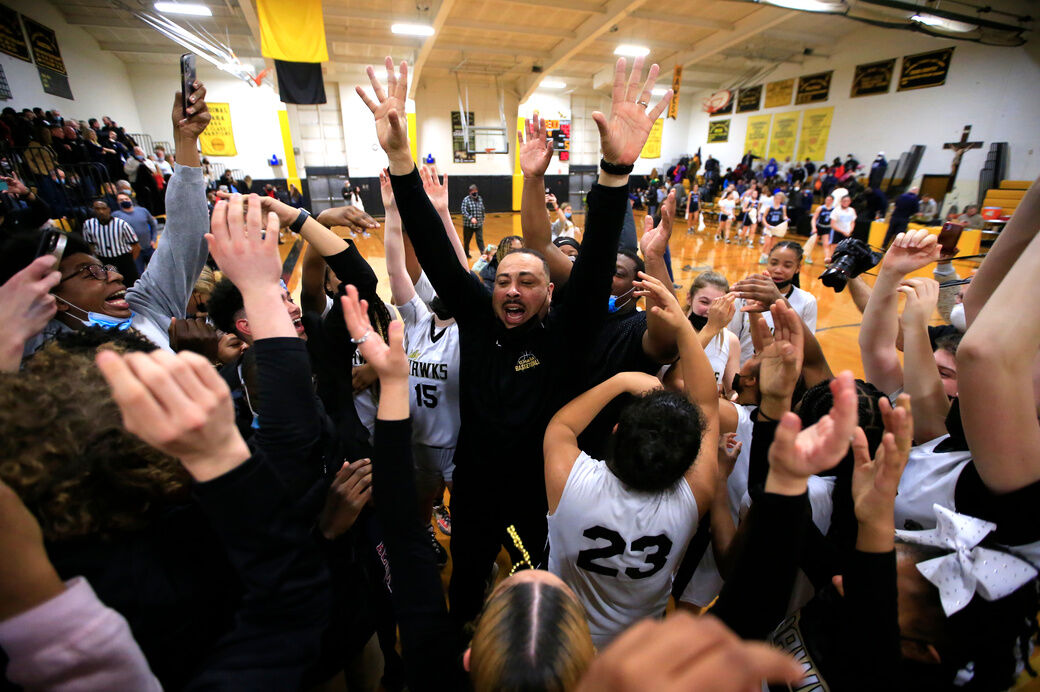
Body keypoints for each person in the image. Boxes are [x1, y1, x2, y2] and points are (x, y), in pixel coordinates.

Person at [358, 54, 672, 630]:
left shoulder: (567, 334)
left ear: (549, 293)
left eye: (527, 280)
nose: (511, 289)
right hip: (473, 489)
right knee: (466, 592)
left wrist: (614, 174)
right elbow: (433, 250)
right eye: (502, 279)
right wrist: (400, 161)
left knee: (539, 597)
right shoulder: (478, 320)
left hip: (541, 493)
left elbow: (598, 262)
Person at [545, 273, 718, 647]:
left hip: (564, 637)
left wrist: (620, 380)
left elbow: (561, 424)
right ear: (688, 460)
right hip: (637, 643)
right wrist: (687, 330)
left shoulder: (572, 483)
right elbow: (708, 405)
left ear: (615, 429)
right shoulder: (694, 498)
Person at [0, 82, 212, 356]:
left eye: (105, 267)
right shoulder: (34, 353)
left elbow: (186, 235)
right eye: (92, 272)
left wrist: (186, 140)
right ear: (51, 296)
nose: (116, 276)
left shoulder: (145, 306)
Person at [728, 241, 817, 364]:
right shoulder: (746, 293)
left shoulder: (807, 301)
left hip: (780, 374)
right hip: (742, 370)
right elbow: (731, 337)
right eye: (774, 263)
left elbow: (808, 348)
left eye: (787, 266)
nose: (778, 270)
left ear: (797, 268)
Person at [683, 272, 739, 392]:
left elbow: (733, 391)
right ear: (689, 298)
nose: (711, 310)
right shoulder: (675, 329)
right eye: (704, 302)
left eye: (717, 304)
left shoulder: (730, 340)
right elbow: (672, 382)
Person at [81, 200, 141, 287]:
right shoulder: (88, 225)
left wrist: (131, 261)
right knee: (112, 286)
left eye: (103, 208)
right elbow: (90, 244)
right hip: (104, 260)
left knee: (131, 284)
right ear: (93, 210)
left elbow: (136, 245)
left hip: (124, 258)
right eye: (97, 209)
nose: (101, 211)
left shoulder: (121, 224)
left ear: (108, 209)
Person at [112, 191, 159, 275]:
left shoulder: (142, 210)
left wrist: (154, 239)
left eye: (126, 199)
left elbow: (153, 224)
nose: (124, 201)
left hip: (148, 247)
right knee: (139, 274)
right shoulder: (116, 216)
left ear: (130, 199)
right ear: (117, 202)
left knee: (158, 270)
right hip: (133, 252)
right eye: (121, 200)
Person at [803, 193, 834, 264]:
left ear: (832, 201)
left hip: (826, 228)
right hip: (818, 227)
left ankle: (827, 259)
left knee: (826, 244)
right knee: (813, 243)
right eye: (827, 199)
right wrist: (813, 228)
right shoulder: (820, 208)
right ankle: (808, 257)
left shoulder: (833, 209)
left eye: (829, 200)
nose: (828, 201)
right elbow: (814, 219)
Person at [759, 191, 788, 264]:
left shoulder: (783, 207)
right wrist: (766, 224)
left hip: (776, 227)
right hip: (769, 227)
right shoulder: (769, 207)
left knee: (773, 245)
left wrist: (786, 218)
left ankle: (769, 257)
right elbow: (764, 217)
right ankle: (763, 256)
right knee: (767, 243)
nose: (778, 199)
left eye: (780, 198)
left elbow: (784, 216)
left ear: (781, 199)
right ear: (774, 198)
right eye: (777, 198)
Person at [828, 195, 857, 263]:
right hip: (837, 232)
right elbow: (832, 224)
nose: (845, 202)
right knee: (834, 247)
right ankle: (831, 261)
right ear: (841, 201)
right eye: (844, 201)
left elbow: (853, 222)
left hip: (847, 233)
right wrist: (842, 231)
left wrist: (850, 230)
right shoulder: (836, 210)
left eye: (847, 201)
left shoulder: (852, 210)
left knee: (845, 248)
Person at [461, 183, 486, 258]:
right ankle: (466, 254)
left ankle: (484, 255)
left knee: (480, 240)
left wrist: (483, 218)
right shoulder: (466, 200)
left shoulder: (480, 199)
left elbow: (482, 209)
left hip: (478, 224)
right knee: (467, 241)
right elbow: (463, 211)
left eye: (475, 191)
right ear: (470, 192)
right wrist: (471, 218)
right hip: (468, 225)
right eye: (472, 191)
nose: (474, 192)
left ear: (477, 191)